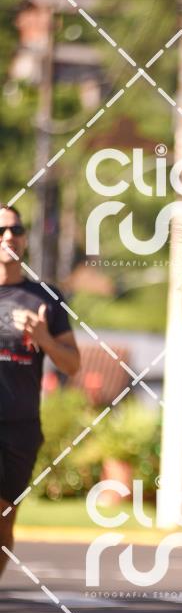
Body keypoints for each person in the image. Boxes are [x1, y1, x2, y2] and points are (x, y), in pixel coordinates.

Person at [0, 204, 80, 579]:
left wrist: (45, 338)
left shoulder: (45, 297)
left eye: (16, 230)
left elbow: (72, 364)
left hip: (21, 427)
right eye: (1, 231)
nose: (9, 237)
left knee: (4, 523)